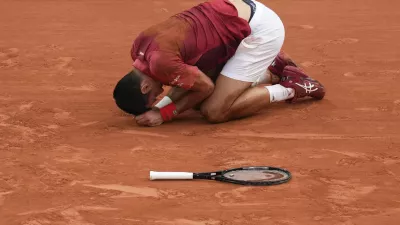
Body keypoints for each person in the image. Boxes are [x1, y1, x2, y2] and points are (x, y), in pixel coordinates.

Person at [113, 0, 325, 126]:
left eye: (153, 97)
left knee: (214, 110)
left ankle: (291, 87)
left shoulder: (161, 64)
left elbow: (205, 87)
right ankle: (272, 68)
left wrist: (164, 114)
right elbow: (182, 82)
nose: (159, 94)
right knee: (189, 93)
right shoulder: (138, 49)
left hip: (260, 32)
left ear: (144, 86)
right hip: (235, 8)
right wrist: (157, 109)